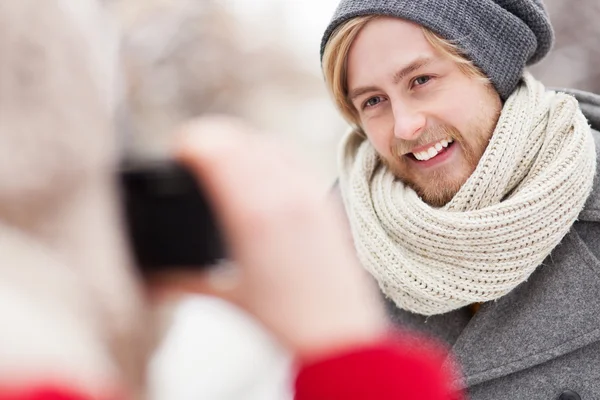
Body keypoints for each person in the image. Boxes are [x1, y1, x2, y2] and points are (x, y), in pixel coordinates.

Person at [319, 0, 600, 399]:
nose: (405, 124)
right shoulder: (331, 261)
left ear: (491, 72)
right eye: (373, 101)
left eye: (421, 80)